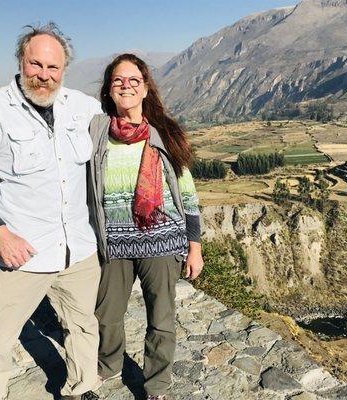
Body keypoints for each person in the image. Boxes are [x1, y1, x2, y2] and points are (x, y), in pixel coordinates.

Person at [0, 22, 103, 400]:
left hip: (78, 248)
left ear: (64, 69)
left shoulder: (84, 108)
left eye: (53, 68)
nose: (44, 75)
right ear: (21, 61)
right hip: (18, 250)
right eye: (36, 65)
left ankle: (82, 387)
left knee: (83, 325)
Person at [87, 54, 204, 400]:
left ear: (145, 88)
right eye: (118, 81)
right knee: (106, 314)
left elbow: (187, 192)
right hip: (114, 244)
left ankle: (156, 386)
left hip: (162, 242)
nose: (126, 86)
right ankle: (108, 365)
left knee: (161, 318)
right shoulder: (96, 133)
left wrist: (194, 245)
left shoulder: (164, 133)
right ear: (109, 90)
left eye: (133, 80)